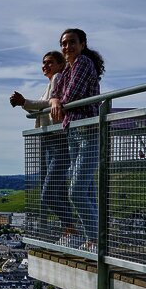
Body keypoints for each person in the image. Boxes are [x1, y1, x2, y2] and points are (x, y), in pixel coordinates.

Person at [49, 28, 105, 251]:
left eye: (71, 42)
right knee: (86, 190)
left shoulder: (82, 63)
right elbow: (58, 94)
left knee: (76, 190)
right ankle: (94, 239)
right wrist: (55, 100)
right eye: (63, 43)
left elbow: (71, 96)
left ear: (82, 44)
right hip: (74, 132)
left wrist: (58, 102)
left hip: (87, 130)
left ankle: (97, 240)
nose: (66, 47)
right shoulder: (68, 69)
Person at [10, 51, 74, 237]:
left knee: (49, 193)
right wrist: (27, 104)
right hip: (52, 140)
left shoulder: (58, 77)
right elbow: (44, 104)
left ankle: (71, 229)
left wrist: (24, 102)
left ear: (61, 64)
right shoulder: (52, 81)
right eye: (43, 63)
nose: (45, 66)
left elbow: (47, 104)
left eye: (49, 62)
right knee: (59, 191)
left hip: (57, 140)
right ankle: (70, 231)